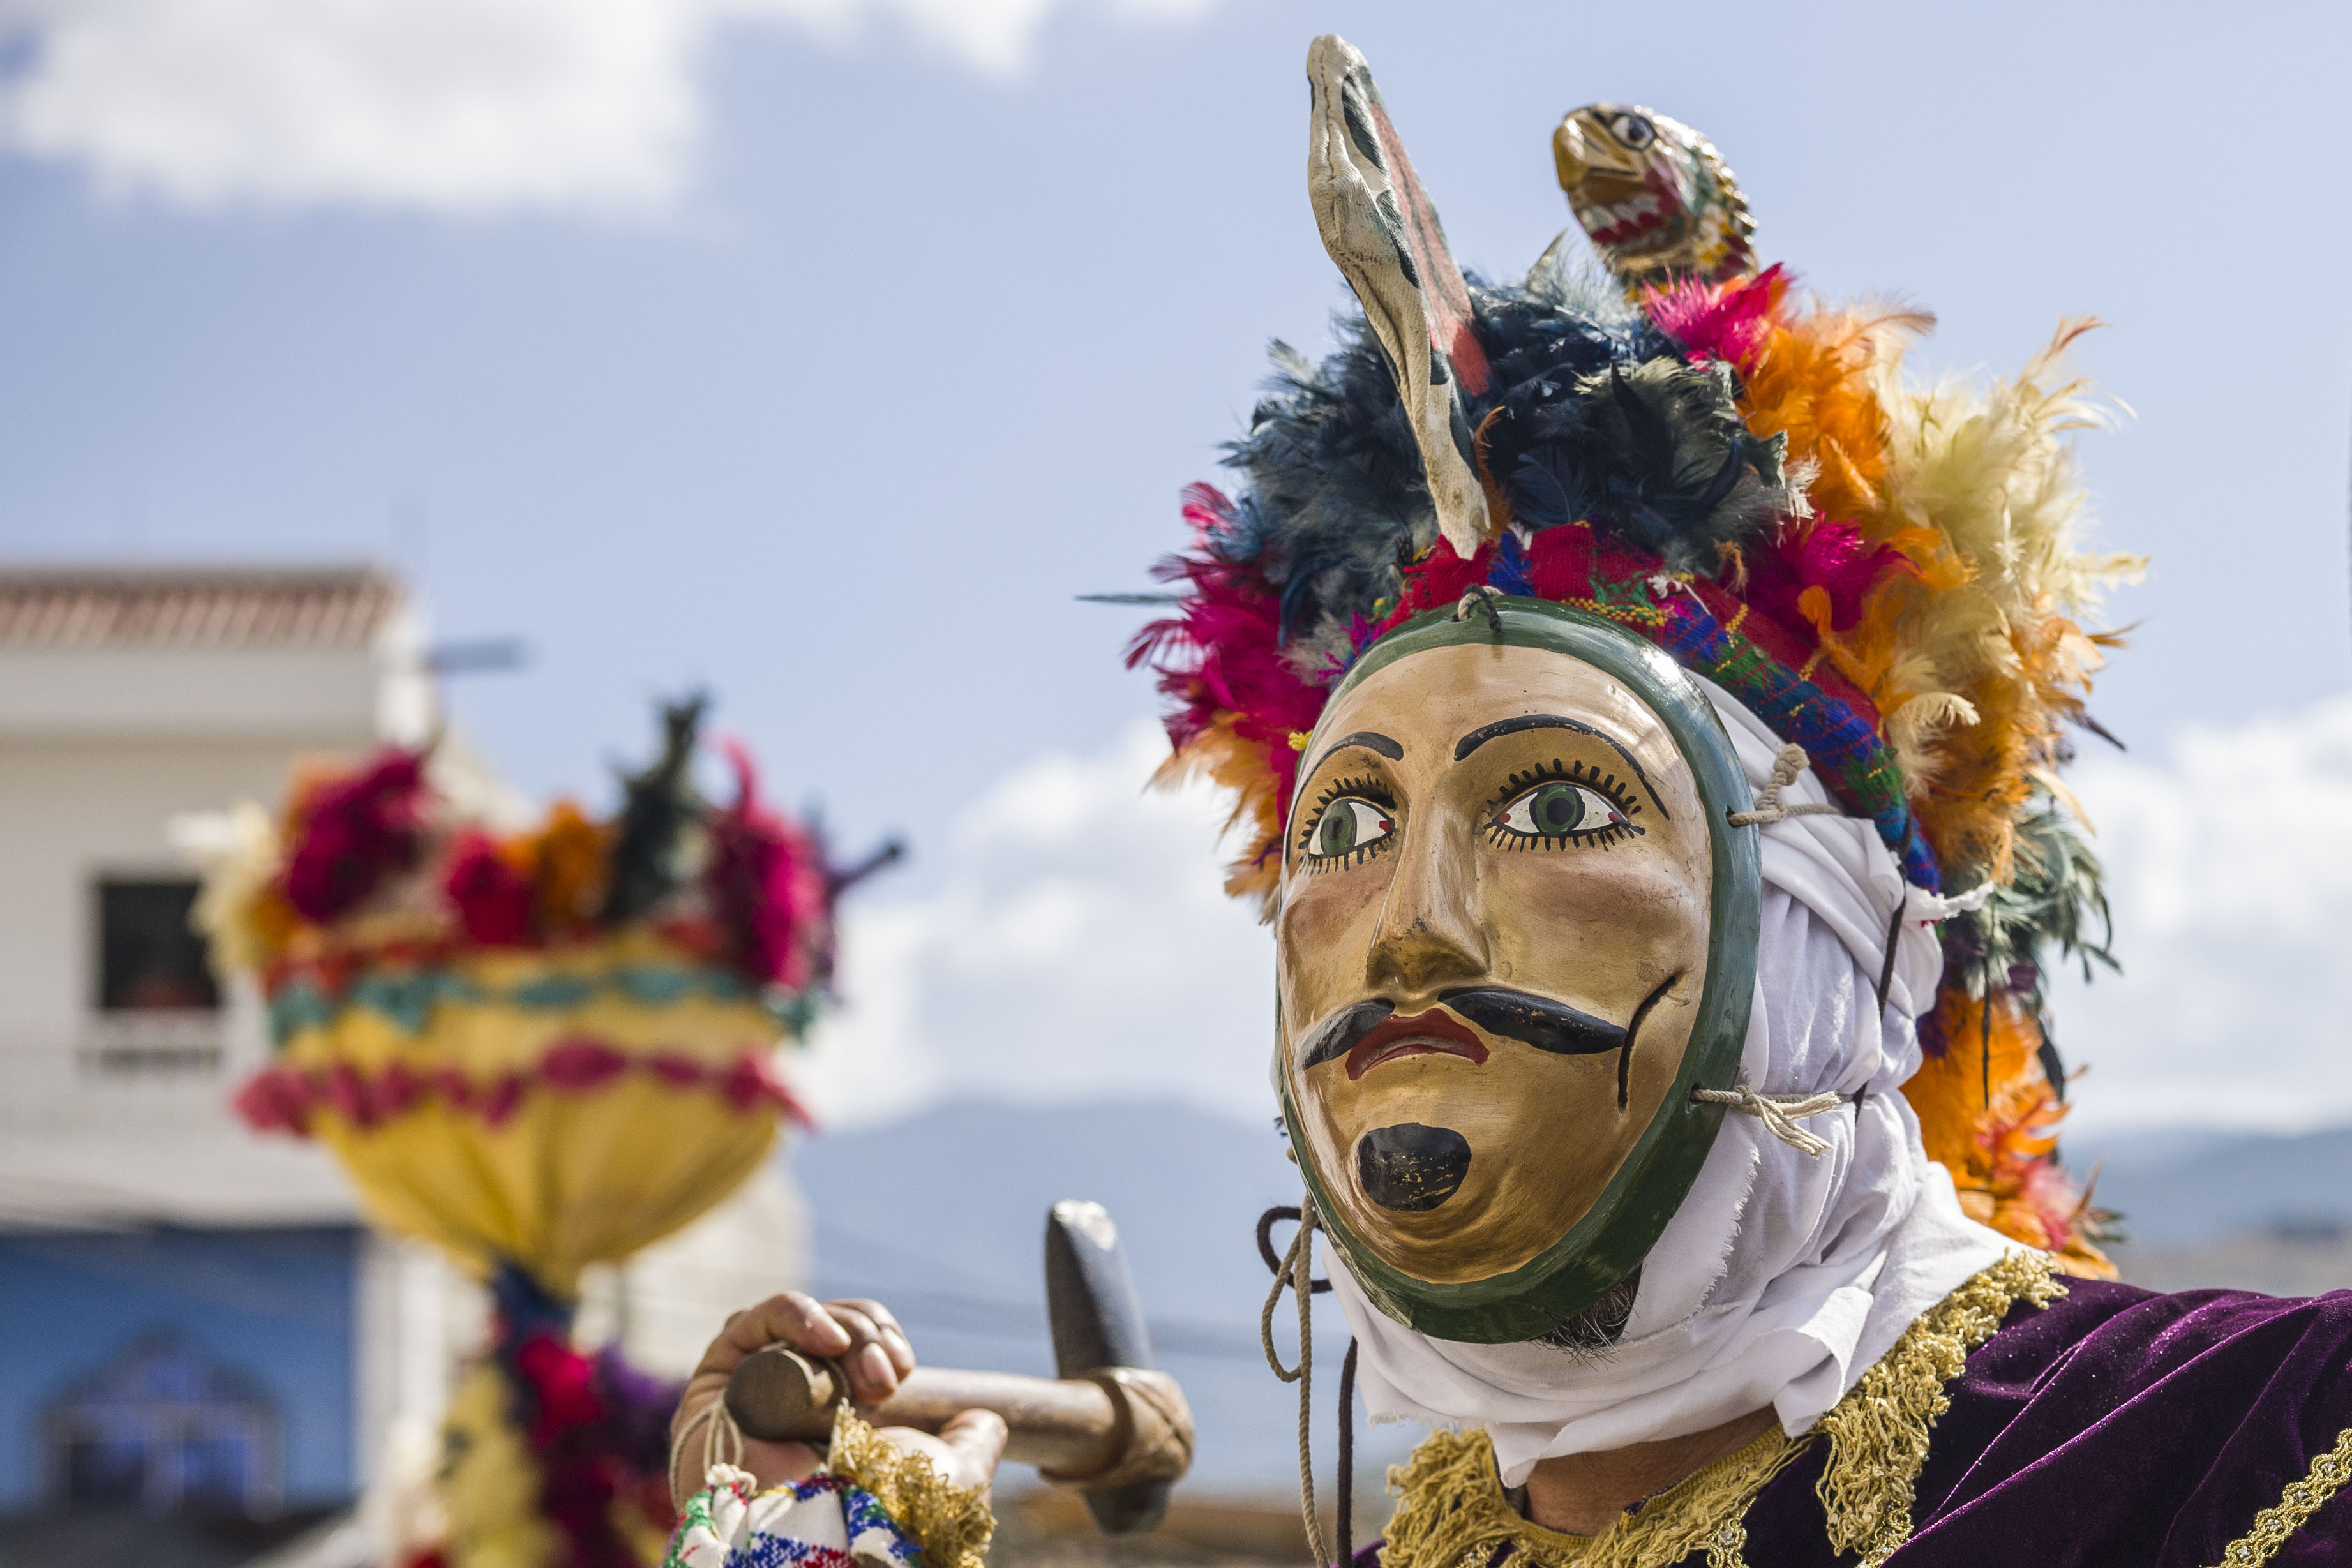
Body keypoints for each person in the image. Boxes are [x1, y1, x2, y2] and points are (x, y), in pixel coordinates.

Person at [667, 34, 2352, 1567]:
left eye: (1554, 809)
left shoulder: (2252, 1455)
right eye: (1344, 829)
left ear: (1820, 951)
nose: (1410, 929)